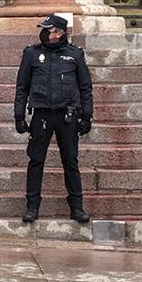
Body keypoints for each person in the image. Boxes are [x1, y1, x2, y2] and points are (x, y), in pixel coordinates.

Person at [13, 14, 92, 224]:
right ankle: (32, 207)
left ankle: (77, 207)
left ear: (58, 33)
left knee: (70, 161)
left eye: (48, 29)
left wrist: (87, 116)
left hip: (67, 115)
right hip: (42, 115)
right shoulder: (31, 54)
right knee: (36, 160)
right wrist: (19, 116)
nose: (44, 33)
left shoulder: (74, 55)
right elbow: (22, 87)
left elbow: (85, 87)